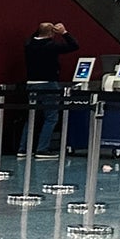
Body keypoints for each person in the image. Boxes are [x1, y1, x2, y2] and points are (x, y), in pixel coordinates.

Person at [19, 22, 78, 158]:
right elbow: (74, 45)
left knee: (31, 117)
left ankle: (23, 148)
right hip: (48, 84)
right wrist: (64, 32)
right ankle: (42, 149)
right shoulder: (51, 46)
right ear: (52, 33)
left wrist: (44, 30)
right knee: (51, 117)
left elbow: (35, 36)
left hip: (31, 84)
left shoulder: (29, 45)